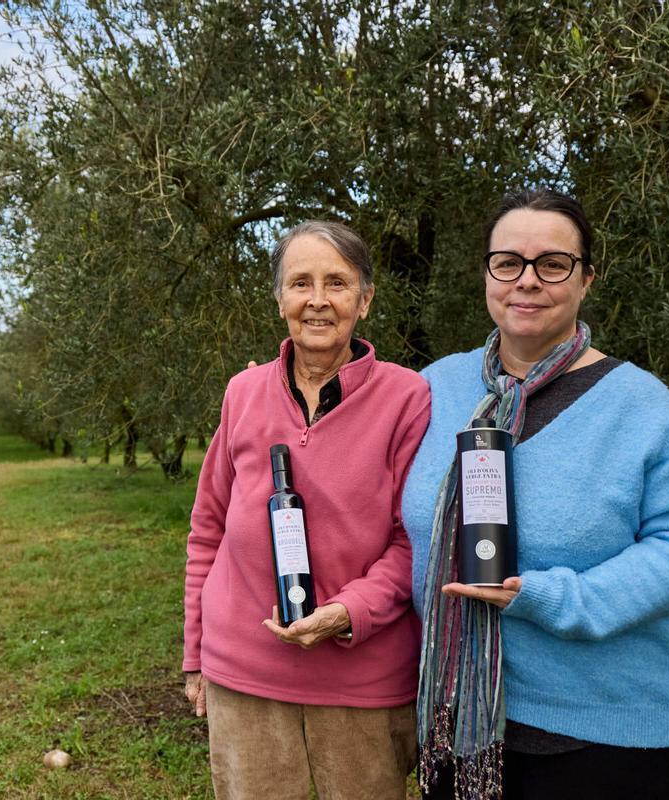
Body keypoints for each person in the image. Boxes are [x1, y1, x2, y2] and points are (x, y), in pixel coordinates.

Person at [401, 189, 669, 800]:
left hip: (603, 739)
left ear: (585, 279)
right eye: (508, 262)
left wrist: (558, 598)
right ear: (486, 274)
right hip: (459, 716)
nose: (527, 281)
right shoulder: (434, 388)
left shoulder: (639, 406)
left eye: (552, 264)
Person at [183, 220, 432, 799]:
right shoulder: (241, 393)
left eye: (337, 283)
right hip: (244, 680)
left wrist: (347, 612)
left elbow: (411, 539)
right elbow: (207, 531)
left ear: (364, 300)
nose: (318, 300)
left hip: (362, 687)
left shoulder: (406, 398)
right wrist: (195, 656)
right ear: (280, 301)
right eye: (300, 283)